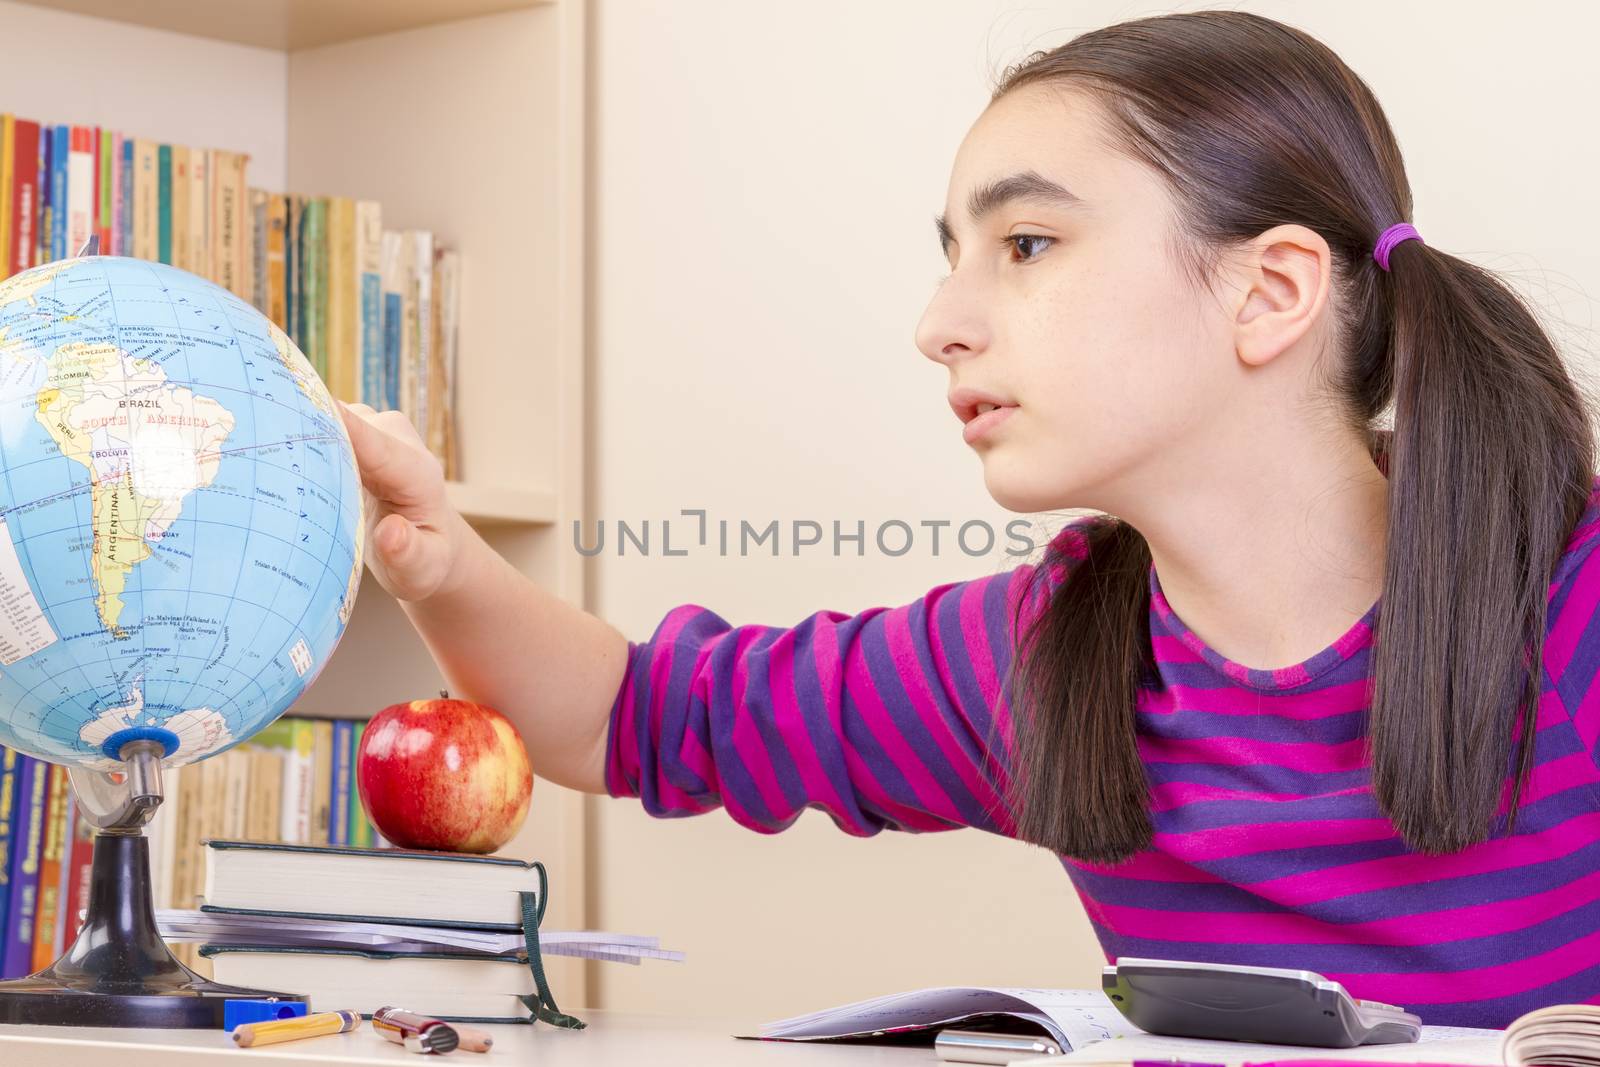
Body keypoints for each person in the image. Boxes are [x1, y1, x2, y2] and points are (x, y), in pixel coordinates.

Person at [336, 9, 1600, 1028]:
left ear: (1268, 291)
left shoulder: (1576, 596)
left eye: (1029, 243)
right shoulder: (1039, 650)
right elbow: (637, 713)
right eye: (955, 251)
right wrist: (438, 563)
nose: (940, 322)